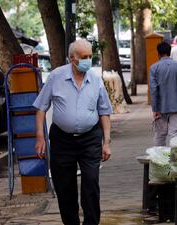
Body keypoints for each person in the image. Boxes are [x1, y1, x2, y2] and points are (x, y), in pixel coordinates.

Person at [33, 39, 113, 225]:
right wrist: (40, 137)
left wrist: (107, 142)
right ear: (72, 59)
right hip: (62, 140)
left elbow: (104, 112)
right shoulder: (56, 77)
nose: (88, 60)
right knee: (65, 187)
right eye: (83, 57)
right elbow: (40, 108)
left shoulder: (95, 79)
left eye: (90, 56)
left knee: (91, 183)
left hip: (90, 138)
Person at [150, 42, 177, 146]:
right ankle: (175, 159)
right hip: (176, 105)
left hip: (160, 107)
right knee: (175, 134)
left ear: (158, 54)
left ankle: (158, 158)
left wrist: (155, 108)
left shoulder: (154, 68)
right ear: (169, 52)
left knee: (160, 134)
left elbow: (153, 90)